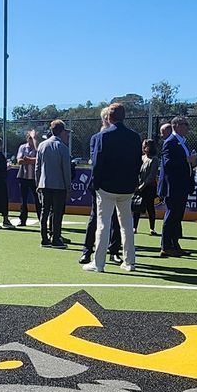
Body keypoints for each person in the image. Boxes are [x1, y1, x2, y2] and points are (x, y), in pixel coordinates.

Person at [83, 102, 141, 273]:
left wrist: (96, 183)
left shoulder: (103, 136)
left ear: (109, 117)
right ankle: (130, 262)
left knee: (103, 224)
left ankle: (99, 263)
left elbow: (97, 163)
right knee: (126, 225)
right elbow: (138, 162)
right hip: (127, 187)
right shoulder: (135, 137)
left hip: (107, 187)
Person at [158, 116, 194, 258]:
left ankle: (174, 244)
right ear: (176, 125)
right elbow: (168, 164)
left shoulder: (182, 142)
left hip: (182, 185)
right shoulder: (170, 142)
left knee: (177, 216)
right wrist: (187, 160)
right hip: (173, 186)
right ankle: (166, 246)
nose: (188, 127)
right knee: (171, 215)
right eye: (185, 124)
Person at [35, 119, 73, 248]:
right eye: (65, 132)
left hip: (44, 184)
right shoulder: (63, 147)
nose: (67, 135)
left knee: (44, 211)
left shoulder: (42, 145)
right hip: (59, 185)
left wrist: (38, 184)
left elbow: (37, 168)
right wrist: (68, 187)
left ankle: (44, 238)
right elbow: (66, 170)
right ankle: (56, 238)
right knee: (57, 212)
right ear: (61, 132)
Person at [15, 128, 39, 227]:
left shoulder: (38, 148)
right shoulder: (22, 147)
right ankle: (22, 219)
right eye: (29, 138)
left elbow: (39, 160)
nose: (31, 139)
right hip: (23, 176)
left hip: (35, 178)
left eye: (32, 138)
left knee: (38, 200)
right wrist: (31, 160)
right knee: (23, 200)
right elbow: (19, 160)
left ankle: (41, 219)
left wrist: (27, 159)